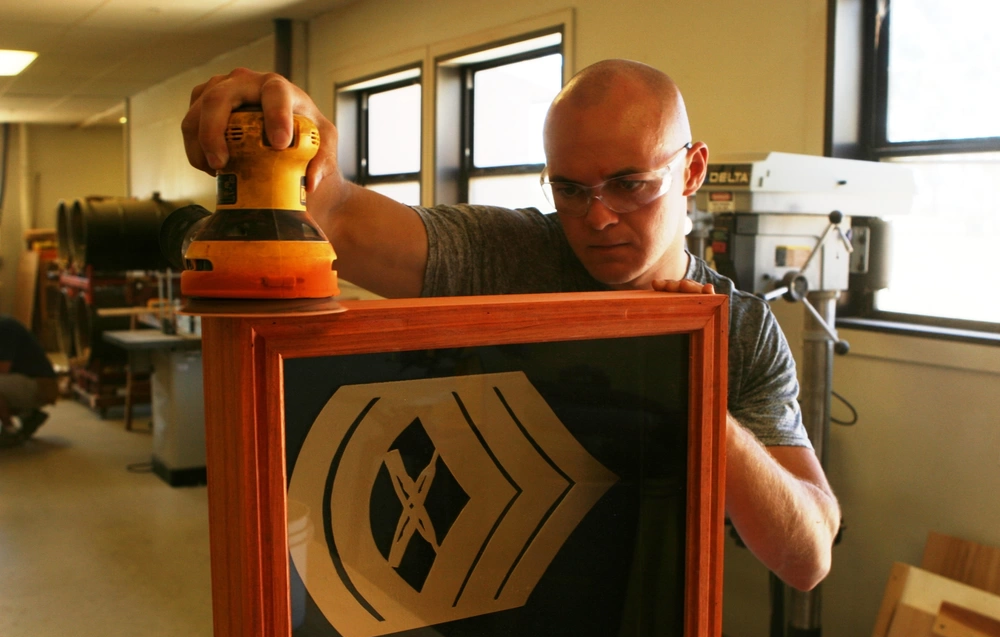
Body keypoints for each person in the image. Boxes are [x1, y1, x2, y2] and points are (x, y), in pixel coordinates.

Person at [182, 60, 841, 592]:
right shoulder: (515, 253)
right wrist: (291, 134)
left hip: (642, 624)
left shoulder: (742, 332)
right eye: (571, 190)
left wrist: (690, 381)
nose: (599, 217)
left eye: (630, 184)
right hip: (470, 600)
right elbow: (341, 216)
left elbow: (807, 557)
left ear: (692, 170)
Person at [0, 315, 57, 446]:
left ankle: (10, 431)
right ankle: (28, 416)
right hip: (27, 383)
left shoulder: (4, 328)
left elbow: (3, 368)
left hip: (42, 386)